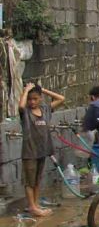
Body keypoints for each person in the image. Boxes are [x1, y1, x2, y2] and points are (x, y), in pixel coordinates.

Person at [18, 83, 65, 216]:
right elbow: (21, 106)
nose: (32, 102)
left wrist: (43, 89)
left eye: (35, 99)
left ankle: (36, 204)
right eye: (30, 99)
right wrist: (26, 90)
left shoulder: (45, 109)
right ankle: (32, 206)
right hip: (30, 152)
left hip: (42, 151)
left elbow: (61, 98)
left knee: (37, 180)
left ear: (40, 99)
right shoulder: (26, 112)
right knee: (29, 181)